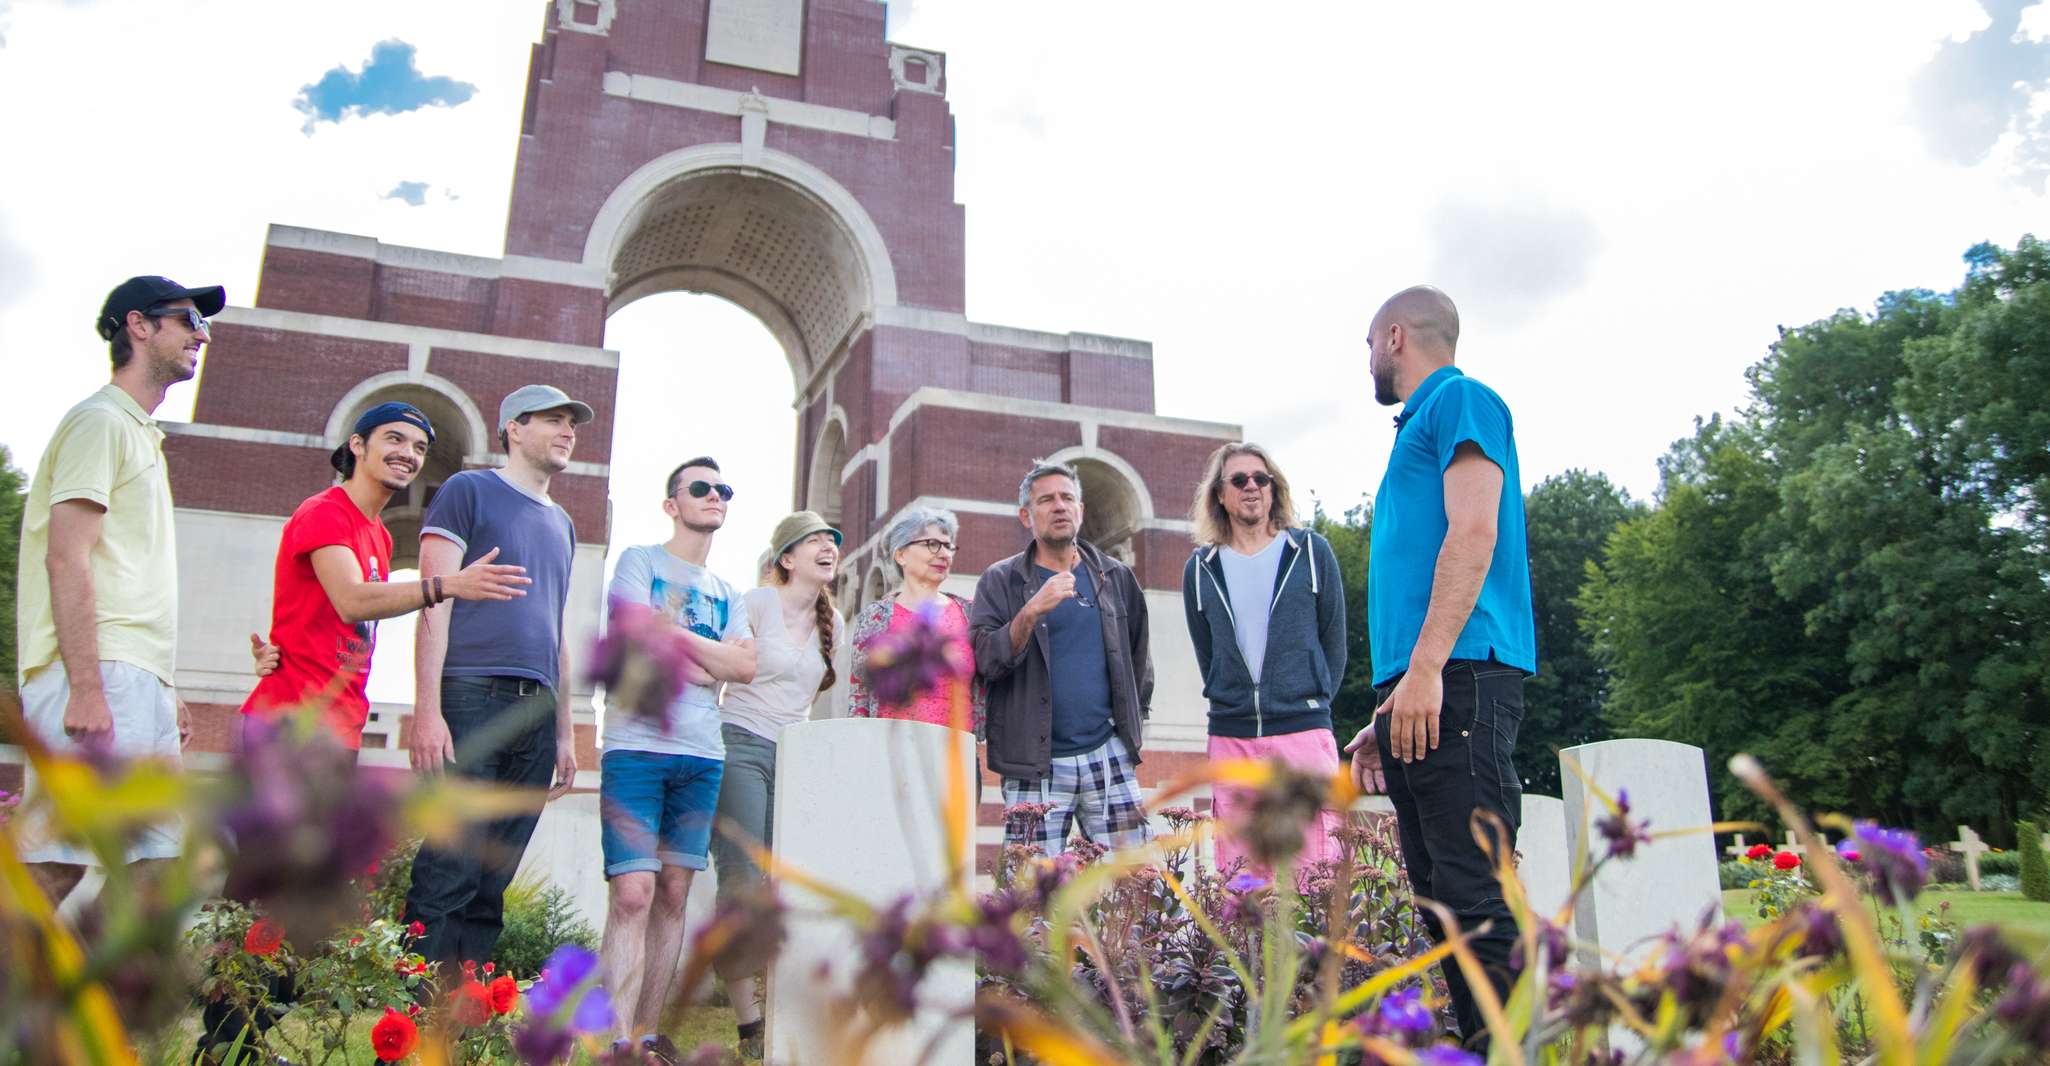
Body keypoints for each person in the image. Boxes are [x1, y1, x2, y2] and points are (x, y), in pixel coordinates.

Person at [1341, 286, 1535, 1047]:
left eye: (1368, 347)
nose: (1368, 362)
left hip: (1461, 678)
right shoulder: (1416, 427)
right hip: (1420, 686)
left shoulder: (1463, 400)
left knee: (1475, 891)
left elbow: (1475, 533)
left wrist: (1425, 672)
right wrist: (1390, 703)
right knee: (1440, 898)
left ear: (1395, 337)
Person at [14, 274, 222, 905]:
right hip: (96, 670)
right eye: (188, 320)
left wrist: (164, 685)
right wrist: (84, 686)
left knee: (156, 867)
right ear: (139, 325)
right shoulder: (99, 422)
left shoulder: (139, 434)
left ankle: (74, 999)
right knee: (56, 861)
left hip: (137, 675)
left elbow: (124, 570)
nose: (201, 334)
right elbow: (66, 557)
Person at [402, 384, 590, 972]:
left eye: (572, 424)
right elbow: (436, 601)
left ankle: (458, 1035)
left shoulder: (562, 524)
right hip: (470, 699)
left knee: (490, 886)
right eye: (553, 421)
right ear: (514, 426)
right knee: (448, 872)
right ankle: (402, 1041)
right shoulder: (468, 491)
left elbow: (555, 630)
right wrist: (426, 711)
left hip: (535, 714)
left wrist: (565, 731)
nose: (567, 432)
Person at [240, 402, 530, 747]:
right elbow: (351, 601)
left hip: (342, 725)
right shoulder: (324, 512)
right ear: (358, 445)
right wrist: (451, 584)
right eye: (395, 439)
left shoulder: (380, 535)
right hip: (289, 720)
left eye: (419, 448)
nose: (407, 454)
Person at [599, 456, 756, 1046]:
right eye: (701, 488)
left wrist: (680, 640)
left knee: (673, 892)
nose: (716, 495)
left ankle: (646, 1034)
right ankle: (615, 1043)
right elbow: (639, 636)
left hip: (701, 753)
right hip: (636, 746)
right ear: (673, 505)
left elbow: (744, 667)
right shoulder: (640, 561)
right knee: (633, 892)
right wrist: (710, 655)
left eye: (724, 489)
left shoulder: (729, 592)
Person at [709, 510, 842, 1058]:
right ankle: (748, 1022)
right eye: (815, 540)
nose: (828, 546)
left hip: (796, 754)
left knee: (788, 880)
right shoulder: (757, 603)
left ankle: (787, 1004)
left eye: (832, 540)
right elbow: (719, 666)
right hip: (740, 743)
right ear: (787, 558)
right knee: (742, 877)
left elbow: (813, 704)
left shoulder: (833, 618)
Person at [1180, 442, 1347, 876]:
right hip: (1232, 737)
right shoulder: (1201, 569)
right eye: (1238, 480)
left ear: (1274, 489)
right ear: (1220, 494)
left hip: (1303, 733)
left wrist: (1309, 699)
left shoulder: (1310, 552)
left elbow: (1334, 643)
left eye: (1261, 478)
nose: (1251, 487)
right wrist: (1235, 697)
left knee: (1316, 872)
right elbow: (1208, 652)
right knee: (1243, 877)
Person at [970, 461, 1152, 854]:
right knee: (1030, 896)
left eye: (1067, 498)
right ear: (1026, 515)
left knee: (1137, 886)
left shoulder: (1114, 576)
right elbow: (986, 661)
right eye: (1046, 500)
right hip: (1032, 763)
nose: (1059, 506)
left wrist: (1128, 731)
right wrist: (1031, 610)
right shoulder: (1000, 581)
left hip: (1108, 753)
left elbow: (1139, 660)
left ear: (1080, 510)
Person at [847, 506, 983, 729]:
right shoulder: (875, 616)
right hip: (891, 748)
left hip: (956, 751)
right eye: (932, 544)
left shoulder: (969, 612)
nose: (944, 554)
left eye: (949, 546)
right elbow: (860, 693)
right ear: (900, 555)